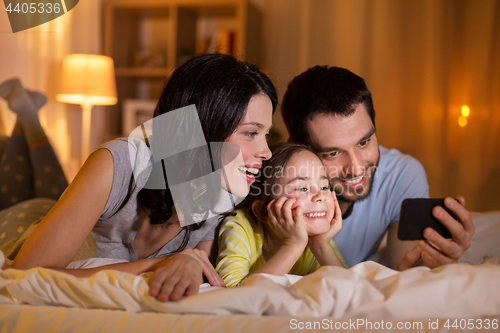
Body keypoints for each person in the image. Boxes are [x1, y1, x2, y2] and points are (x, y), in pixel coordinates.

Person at [2, 53, 277, 302]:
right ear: (206, 126)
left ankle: (28, 116)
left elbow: (200, 268)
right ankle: (27, 117)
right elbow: (23, 276)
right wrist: (153, 265)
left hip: (61, 207)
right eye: (251, 133)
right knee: (26, 182)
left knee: (49, 184)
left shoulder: (223, 192)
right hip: (18, 223)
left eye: (265, 135)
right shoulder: (118, 162)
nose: (266, 152)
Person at [281, 66, 474, 270]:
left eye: (364, 142)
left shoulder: (401, 175)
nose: (356, 169)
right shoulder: (276, 184)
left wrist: (436, 264)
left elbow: (403, 270)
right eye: (332, 153)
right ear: (295, 148)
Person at [216, 143, 346, 287]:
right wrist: (293, 245)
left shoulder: (317, 237)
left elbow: (352, 291)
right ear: (263, 211)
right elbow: (231, 296)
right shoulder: (240, 226)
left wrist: (321, 245)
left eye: (324, 187)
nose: (320, 196)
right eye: (302, 188)